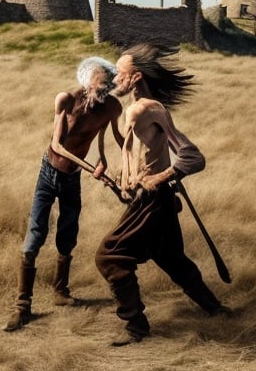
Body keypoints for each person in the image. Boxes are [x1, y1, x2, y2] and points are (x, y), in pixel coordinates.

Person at [95, 43, 228, 346]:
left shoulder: (149, 108)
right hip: (151, 201)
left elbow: (192, 157)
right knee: (172, 258)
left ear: (136, 77)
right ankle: (216, 310)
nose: (115, 78)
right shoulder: (132, 110)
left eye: (121, 73)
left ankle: (136, 326)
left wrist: (158, 178)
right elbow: (141, 159)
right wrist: (120, 183)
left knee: (109, 257)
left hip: (154, 202)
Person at [3, 56, 124, 332]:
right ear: (88, 82)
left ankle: (60, 292)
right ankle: (22, 306)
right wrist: (94, 168)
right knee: (35, 235)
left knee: (68, 234)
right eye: (99, 88)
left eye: (108, 88)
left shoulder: (111, 107)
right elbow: (58, 145)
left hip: (72, 179)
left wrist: (108, 161)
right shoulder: (66, 99)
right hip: (49, 174)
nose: (103, 93)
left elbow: (107, 136)